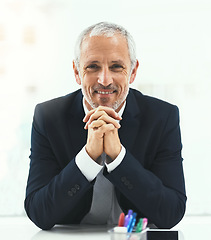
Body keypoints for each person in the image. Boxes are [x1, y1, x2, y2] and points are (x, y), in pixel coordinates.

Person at [24, 22, 187, 230]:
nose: (104, 79)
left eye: (116, 67)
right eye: (92, 67)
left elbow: (171, 212)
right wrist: (88, 158)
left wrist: (118, 157)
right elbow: (38, 212)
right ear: (76, 71)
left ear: (133, 71)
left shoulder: (162, 117)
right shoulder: (48, 117)